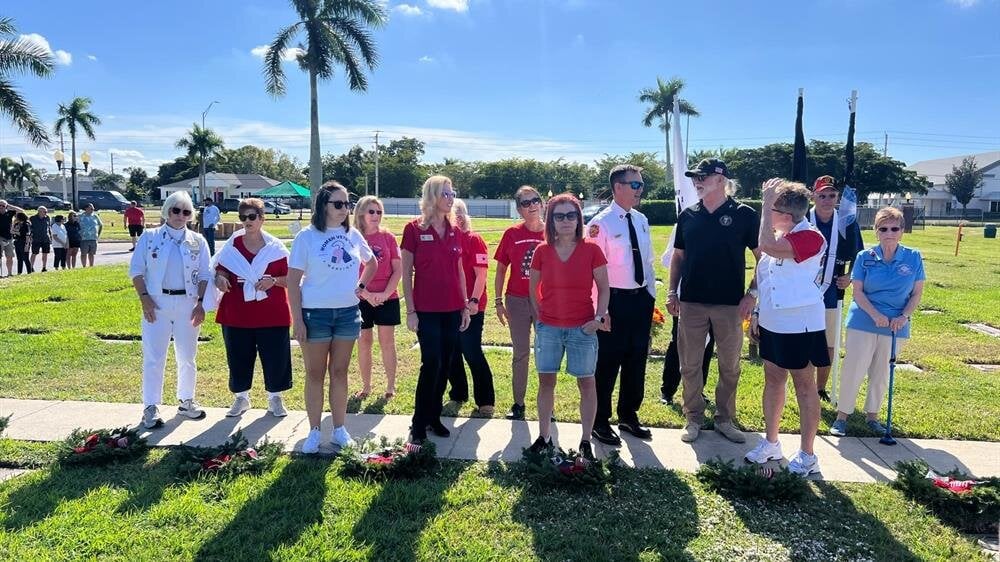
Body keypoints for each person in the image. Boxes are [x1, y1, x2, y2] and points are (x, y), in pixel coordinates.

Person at [667, 158, 760, 444]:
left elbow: (762, 259)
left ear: (721, 180)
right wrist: (672, 291)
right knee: (690, 364)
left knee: (730, 365)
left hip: (730, 304)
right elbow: (678, 257)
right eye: (695, 177)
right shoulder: (688, 215)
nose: (697, 181)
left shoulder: (744, 214)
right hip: (692, 302)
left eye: (703, 177)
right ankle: (693, 417)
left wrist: (752, 294)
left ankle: (724, 418)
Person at [745, 179, 828, 476]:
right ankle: (771, 443)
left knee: (804, 385)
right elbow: (764, 277)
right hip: (773, 320)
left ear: (787, 215)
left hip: (800, 323)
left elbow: (767, 245)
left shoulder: (810, 237)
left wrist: (766, 200)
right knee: (773, 379)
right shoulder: (778, 234)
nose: (766, 214)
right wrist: (756, 312)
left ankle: (808, 455)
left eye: (772, 209)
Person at [288, 182, 377, 454]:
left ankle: (339, 430)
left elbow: (371, 263)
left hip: (348, 313)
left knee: (339, 372)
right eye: (338, 204)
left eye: (347, 204)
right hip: (315, 314)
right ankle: (314, 432)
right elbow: (292, 282)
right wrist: (298, 320)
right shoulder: (307, 236)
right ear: (323, 205)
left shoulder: (353, 234)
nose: (344, 209)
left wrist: (360, 288)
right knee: (315, 374)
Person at [528, 193, 610, 460]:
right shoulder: (542, 251)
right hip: (549, 328)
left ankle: (586, 441)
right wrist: (541, 319)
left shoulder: (592, 250)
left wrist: (598, 319)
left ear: (579, 218)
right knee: (546, 382)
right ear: (550, 220)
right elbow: (533, 290)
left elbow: (604, 288)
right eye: (559, 216)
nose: (565, 221)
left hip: (582, 329)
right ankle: (544, 437)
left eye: (571, 215)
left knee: (587, 384)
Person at [830, 207, 925, 436]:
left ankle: (872, 416)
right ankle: (842, 416)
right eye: (883, 228)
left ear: (902, 231)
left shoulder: (913, 257)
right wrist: (875, 315)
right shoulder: (865, 257)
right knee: (854, 368)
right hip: (864, 319)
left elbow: (916, 294)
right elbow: (859, 292)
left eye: (894, 228)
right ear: (876, 231)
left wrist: (904, 316)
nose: (889, 233)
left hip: (896, 325)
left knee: (882, 372)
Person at [128, 191, 212, 429]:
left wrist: (201, 304)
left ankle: (186, 401)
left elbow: (205, 274)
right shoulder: (150, 236)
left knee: (187, 356)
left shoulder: (198, 241)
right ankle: (151, 406)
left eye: (186, 211)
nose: (180, 216)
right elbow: (136, 270)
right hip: (157, 302)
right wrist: (144, 298)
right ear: (167, 211)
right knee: (154, 356)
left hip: (188, 303)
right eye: (175, 210)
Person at [586, 164, 656, 445]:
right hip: (613, 300)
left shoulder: (640, 219)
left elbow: (647, 261)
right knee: (607, 362)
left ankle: (628, 415)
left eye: (641, 184)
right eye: (635, 185)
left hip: (640, 299)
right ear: (618, 187)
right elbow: (591, 271)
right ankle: (600, 421)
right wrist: (599, 310)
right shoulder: (599, 224)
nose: (640, 190)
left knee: (636, 359)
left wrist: (650, 294)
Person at [401, 175, 471, 444]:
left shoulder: (455, 230)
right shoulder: (413, 229)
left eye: (452, 193)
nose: (450, 198)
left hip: (453, 308)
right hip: (427, 310)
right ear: (431, 196)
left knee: (444, 365)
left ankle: (433, 416)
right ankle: (418, 423)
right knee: (431, 363)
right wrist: (411, 311)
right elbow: (406, 273)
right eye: (445, 193)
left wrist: (465, 306)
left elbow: (459, 272)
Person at [213, 198, 293, 418]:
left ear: (262, 218)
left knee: (275, 356)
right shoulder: (233, 245)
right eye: (243, 217)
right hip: (236, 312)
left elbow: (293, 278)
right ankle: (241, 398)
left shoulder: (276, 248)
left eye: (251, 217)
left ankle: (275, 399)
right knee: (238, 356)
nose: (247, 221)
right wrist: (220, 278)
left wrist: (273, 281)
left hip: (271, 312)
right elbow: (221, 269)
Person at [807, 175, 864, 402]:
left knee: (829, 342)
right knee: (805, 339)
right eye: (822, 195)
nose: (827, 200)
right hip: (804, 290)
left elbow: (858, 255)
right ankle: (806, 386)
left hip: (831, 291)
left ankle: (820, 388)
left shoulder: (846, 222)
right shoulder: (804, 219)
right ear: (814, 196)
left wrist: (849, 276)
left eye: (832, 195)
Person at [494, 185, 545, 420]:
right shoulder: (511, 234)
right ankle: (518, 404)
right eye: (526, 203)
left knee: (547, 353)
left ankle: (547, 406)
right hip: (516, 300)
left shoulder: (553, 233)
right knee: (521, 352)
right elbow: (501, 269)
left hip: (546, 301)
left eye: (535, 200)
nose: (532, 205)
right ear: (518, 209)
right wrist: (498, 302)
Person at [447, 199, 496, 416]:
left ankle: (486, 401)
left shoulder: (474, 239)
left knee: (471, 350)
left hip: (471, 306)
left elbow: (481, 275)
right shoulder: (445, 241)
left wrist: (473, 302)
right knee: (451, 352)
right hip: (448, 305)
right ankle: (458, 393)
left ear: (460, 216)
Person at [354, 195, 401, 400]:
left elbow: (397, 270)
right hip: (360, 298)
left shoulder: (388, 237)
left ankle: (390, 386)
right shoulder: (352, 237)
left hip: (387, 298)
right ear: (361, 213)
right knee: (364, 342)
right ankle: (366, 386)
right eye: (371, 211)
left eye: (379, 212)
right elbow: (348, 271)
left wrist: (384, 294)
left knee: (387, 342)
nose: (375, 216)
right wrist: (366, 294)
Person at [0, 199, 25, 277]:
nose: (1, 207)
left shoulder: (9, 213)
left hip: (9, 237)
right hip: (0, 237)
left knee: (10, 256)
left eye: (3, 206)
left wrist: (10, 206)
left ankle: (9, 273)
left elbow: (21, 211)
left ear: (6, 207)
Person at [29, 206, 52, 272]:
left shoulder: (47, 218)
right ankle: (31, 267)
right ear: (39, 211)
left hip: (45, 238)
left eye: (46, 212)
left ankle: (44, 267)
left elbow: (49, 227)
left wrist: (50, 236)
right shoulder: (32, 218)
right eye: (44, 212)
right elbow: (29, 228)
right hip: (36, 239)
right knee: (34, 253)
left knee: (45, 253)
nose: (45, 213)